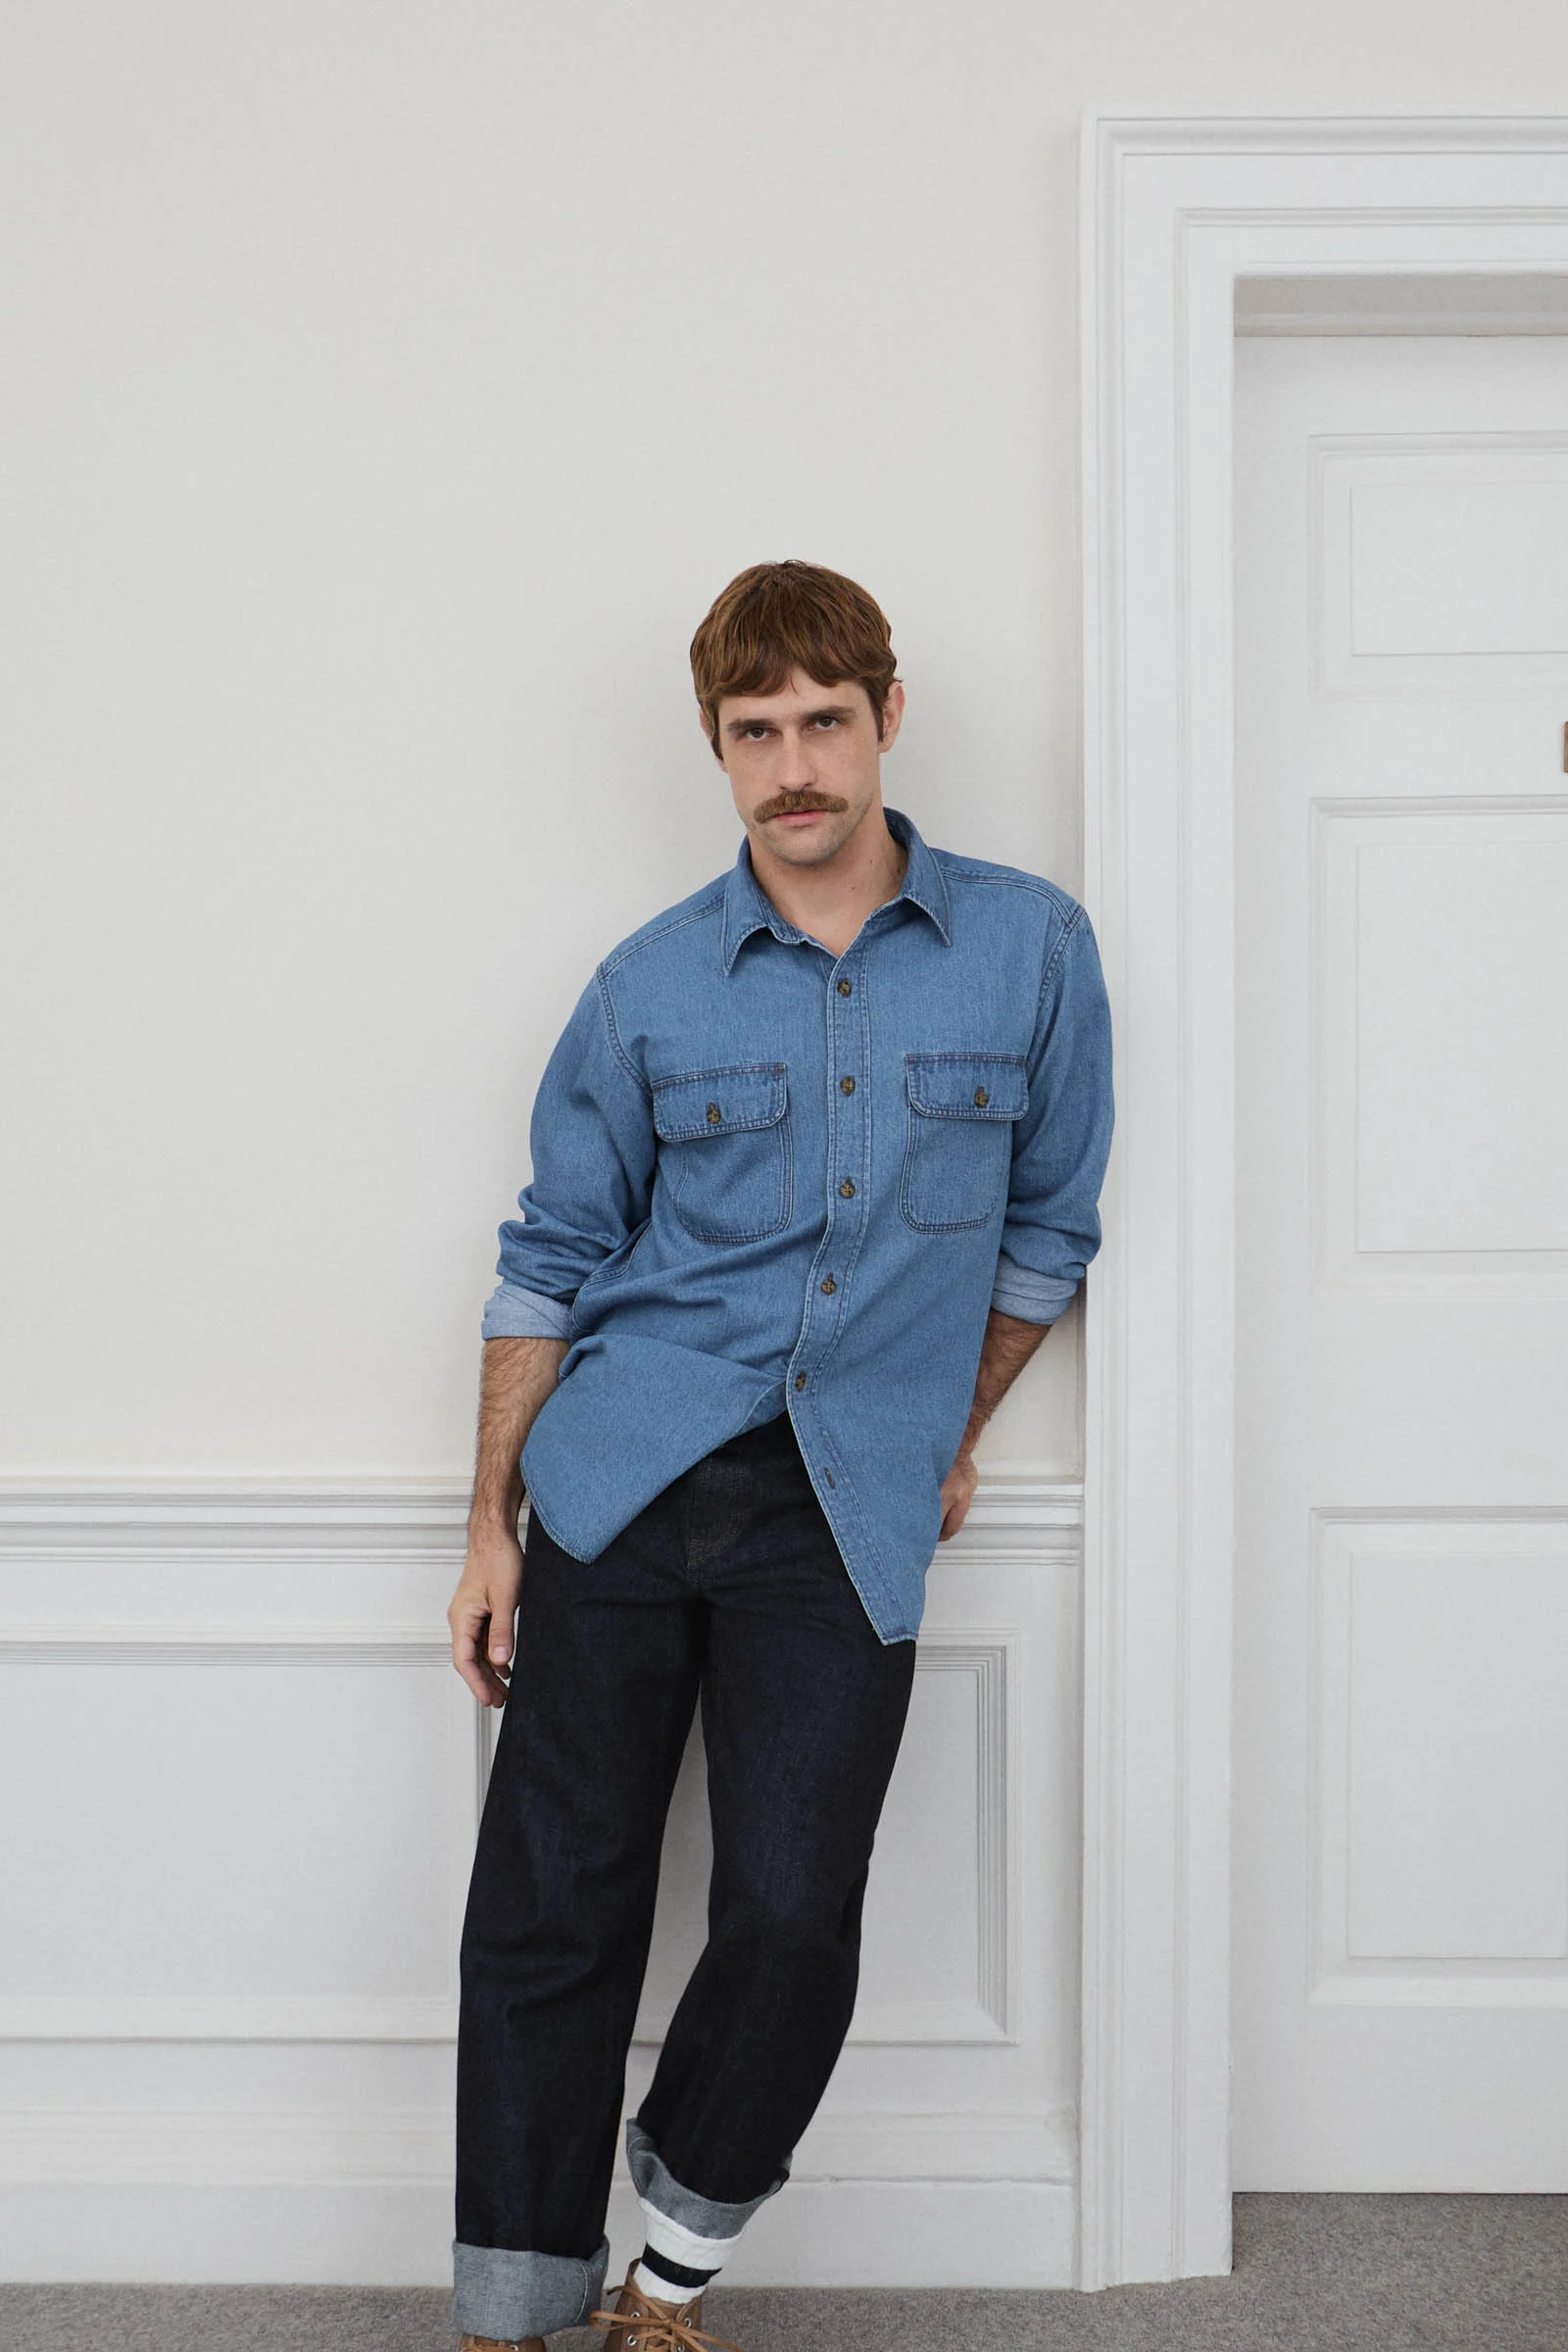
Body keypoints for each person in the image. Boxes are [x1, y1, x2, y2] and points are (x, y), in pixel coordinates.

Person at [447, 560, 1115, 2352]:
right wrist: (491, 1528)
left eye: (826, 720)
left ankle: (666, 2272)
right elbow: (550, 1257)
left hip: (845, 1502)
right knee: (552, 1906)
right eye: (757, 731)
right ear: (716, 744)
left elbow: (1050, 1230)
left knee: (794, 1911)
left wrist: (947, 1429)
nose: (795, 764)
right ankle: (512, 2306)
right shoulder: (647, 983)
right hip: (618, 1481)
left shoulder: (1035, 950)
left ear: (889, 716)